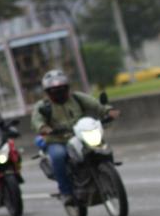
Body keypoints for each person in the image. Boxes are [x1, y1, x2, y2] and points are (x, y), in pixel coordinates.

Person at [31, 70, 119, 204]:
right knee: (58, 156)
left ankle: (109, 171)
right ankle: (66, 192)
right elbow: (36, 120)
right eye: (54, 90)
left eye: (62, 89)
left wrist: (108, 110)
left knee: (100, 144)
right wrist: (43, 128)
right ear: (48, 92)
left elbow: (95, 104)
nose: (59, 92)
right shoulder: (43, 106)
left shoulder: (77, 98)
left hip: (80, 135)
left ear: (67, 87)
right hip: (57, 140)